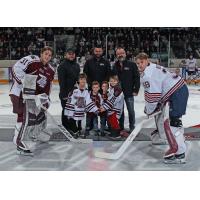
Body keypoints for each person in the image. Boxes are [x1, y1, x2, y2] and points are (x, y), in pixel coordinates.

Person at [135, 52, 189, 164]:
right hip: (178, 90)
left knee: (173, 123)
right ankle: (179, 142)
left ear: (147, 61)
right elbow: (157, 92)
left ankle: (179, 153)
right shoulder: (152, 67)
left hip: (177, 92)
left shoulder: (148, 75)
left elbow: (153, 96)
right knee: (173, 122)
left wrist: (149, 110)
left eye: (142, 62)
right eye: (138, 63)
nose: (139, 65)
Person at [9, 46, 55, 156]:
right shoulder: (32, 60)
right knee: (23, 116)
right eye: (46, 54)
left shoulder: (50, 70)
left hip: (33, 98)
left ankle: (31, 135)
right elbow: (16, 68)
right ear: (41, 53)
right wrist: (26, 84)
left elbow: (47, 87)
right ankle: (19, 141)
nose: (47, 56)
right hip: (18, 93)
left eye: (49, 55)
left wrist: (46, 99)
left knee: (35, 117)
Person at [112, 47, 140, 133]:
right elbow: (113, 79)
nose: (120, 55)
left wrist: (136, 89)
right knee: (120, 111)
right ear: (116, 55)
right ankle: (121, 127)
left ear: (125, 54)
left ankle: (132, 127)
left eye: (122, 53)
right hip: (118, 93)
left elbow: (137, 77)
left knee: (131, 110)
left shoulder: (132, 64)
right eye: (118, 54)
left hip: (129, 92)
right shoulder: (114, 65)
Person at [64, 73, 99, 138]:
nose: (83, 82)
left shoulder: (86, 91)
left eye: (84, 80)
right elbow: (70, 101)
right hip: (73, 109)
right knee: (72, 120)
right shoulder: (74, 90)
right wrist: (69, 112)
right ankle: (74, 131)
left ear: (86, 81)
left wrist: (95, 109)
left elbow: (88, 101)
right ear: (78, 80)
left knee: (79, 119)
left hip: (80, 109)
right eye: (81, 80)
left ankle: (79, 130)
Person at [57, 48, 80, 130]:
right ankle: (66, 127)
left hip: (74, 93)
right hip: (65, 93)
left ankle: (73, 126)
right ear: (65, 55)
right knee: (66, 110)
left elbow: (78, 79)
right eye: (69, 54)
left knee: (74, 110)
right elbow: (61, 81)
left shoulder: (76, 65)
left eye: (73, 54)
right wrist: (64, 94)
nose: (71, 55)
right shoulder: (62, 66)